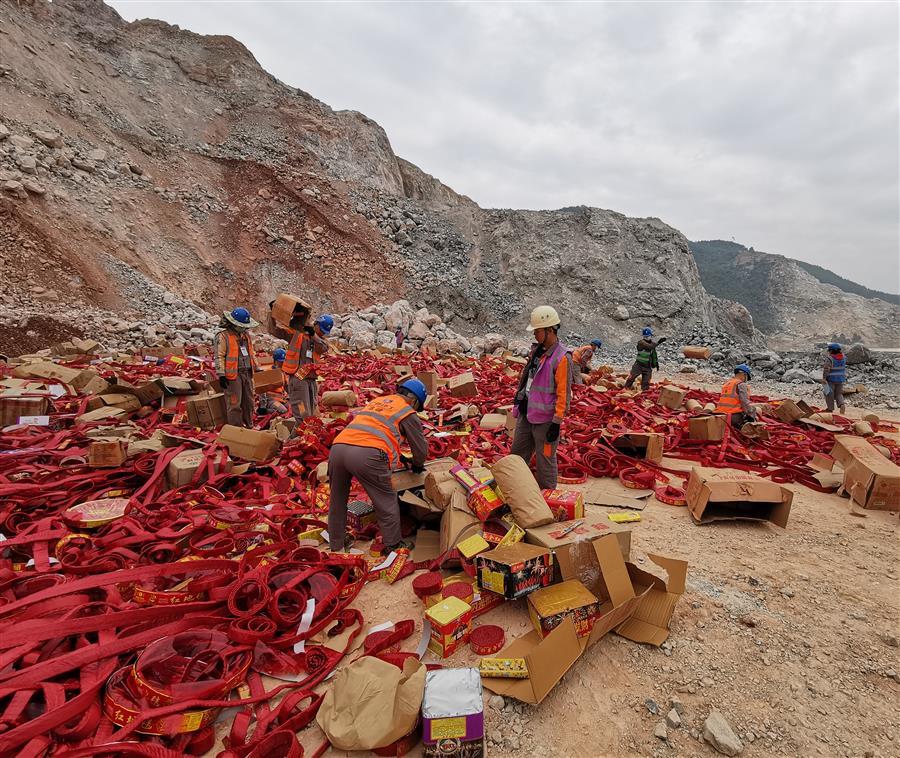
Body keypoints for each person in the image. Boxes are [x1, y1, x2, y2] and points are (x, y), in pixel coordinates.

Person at [327, 378, 429, 554]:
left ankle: (337, 544)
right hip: (368, 454)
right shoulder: (407, 411)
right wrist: (418, 464)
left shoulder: (378, 402)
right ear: (414, 401)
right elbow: (420, 449)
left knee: (337, 499)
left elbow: (374, 429)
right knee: (386, 499)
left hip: (338, 449)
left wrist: (399, 456)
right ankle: (393, 545)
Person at [510, 305, 573, 489]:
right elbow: (527, 380)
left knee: (545, 462)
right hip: (527, 415)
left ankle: (547, 499)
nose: (534, 334)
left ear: (549, 330)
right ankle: (515, 493)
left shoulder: (562, 357)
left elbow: (563, 393)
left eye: (537, 330)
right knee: (516, 457)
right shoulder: (537, 351)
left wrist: (557, 422)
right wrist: (520, 401)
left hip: (546, 423)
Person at [281, 313, 333, 422]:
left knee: (309, 415)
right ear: (316, 324)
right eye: (321, 330)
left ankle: (299, 431)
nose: (322, 333)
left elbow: (323, 348)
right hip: (298, 379)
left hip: (310, 380)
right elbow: (277, 330)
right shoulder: (298, 335)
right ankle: (300, 431)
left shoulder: (319, 340)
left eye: (324, 332)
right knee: (302, 413)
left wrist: (313, 334)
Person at [214, 307, 258, 428]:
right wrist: (221, 374)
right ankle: (236, 429)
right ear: (233, 324)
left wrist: (256, 367)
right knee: (234, 404)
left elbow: (251, 352)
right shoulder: (223, 336)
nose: (244, 328)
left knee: (249, 402)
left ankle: (249, 425)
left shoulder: (245, 336)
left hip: (247, 373)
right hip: (232, 376)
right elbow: (219, 356)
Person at [624, 327, 666, 392]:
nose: (646, 337)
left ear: (651, 336)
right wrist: (659, 342)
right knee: (631, 378)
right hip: (638, 365)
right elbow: (650, 347)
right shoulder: (641, 342)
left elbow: (653, 355)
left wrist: (656, 364)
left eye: (648, 336)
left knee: (646, 382)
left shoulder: (652, 344)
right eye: (645, 336)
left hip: (647, 366)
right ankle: (626, 389)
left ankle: (644, 392)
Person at [715, 364, 757, 428]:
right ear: (744, 374)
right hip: (733, 416)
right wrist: (751, 416)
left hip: (720, 414)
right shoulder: (741, 384)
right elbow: (744, 402)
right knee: (753, 409)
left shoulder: (727, 384)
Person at [257, 348, 288, 416]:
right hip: (271, 400)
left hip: (282, 399)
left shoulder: (282, 371)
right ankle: (266, 411)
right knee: (283, 411)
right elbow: (262, 390)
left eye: (283, 361)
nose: (282, 364)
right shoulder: (268, 372)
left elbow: (286, 386)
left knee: (292, 409)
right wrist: (263, 406)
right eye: (280, 362)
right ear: (275, 361)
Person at [822, 343, 847, 414]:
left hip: (831, 379)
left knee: (828, 393)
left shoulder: (830, 358)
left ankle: (830, 409)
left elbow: (826, 369)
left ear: (831, 351)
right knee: (839, 394)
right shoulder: (844, 357)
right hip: (841, 379)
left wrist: (824, 378)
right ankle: (842, 404)